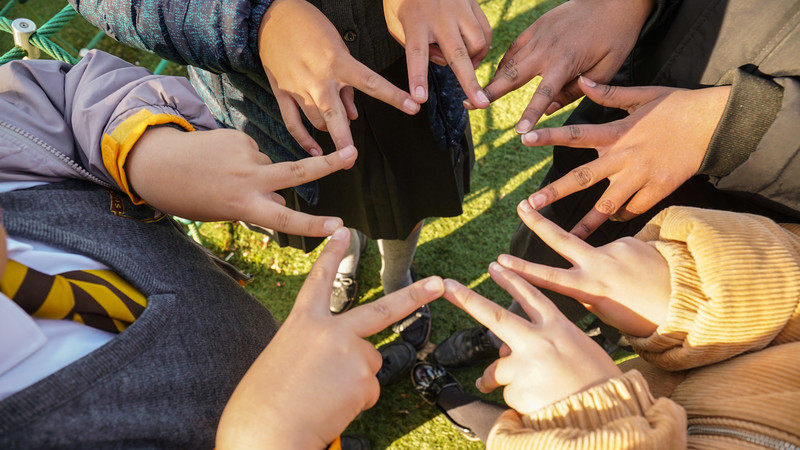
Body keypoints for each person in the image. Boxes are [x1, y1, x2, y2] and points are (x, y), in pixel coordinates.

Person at [0, 50, 443, 448]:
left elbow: (44, 96)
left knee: (373, 208)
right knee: (339, 212)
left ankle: (383, 290)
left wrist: (145, 150)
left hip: (272, 355)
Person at [69, 0, 493, 349]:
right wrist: (257, 23)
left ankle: (397, 278)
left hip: (403, 66)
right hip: (271, 101)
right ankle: (347, 257)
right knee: (325, 207)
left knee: (408, 195)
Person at [433, 0, 800, 367]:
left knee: (647, 307)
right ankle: (509, 328)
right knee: (548, 253)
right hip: (630, 104)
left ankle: (603, 341)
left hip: (746, 213)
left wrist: (740, 121)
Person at [413, 199, 800, 447]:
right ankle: (488, 347)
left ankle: (447, 395)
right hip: (673, 370)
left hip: (610, 421)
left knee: (509, 422)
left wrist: (595, 418)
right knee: (539, 330)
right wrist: (691, 290)